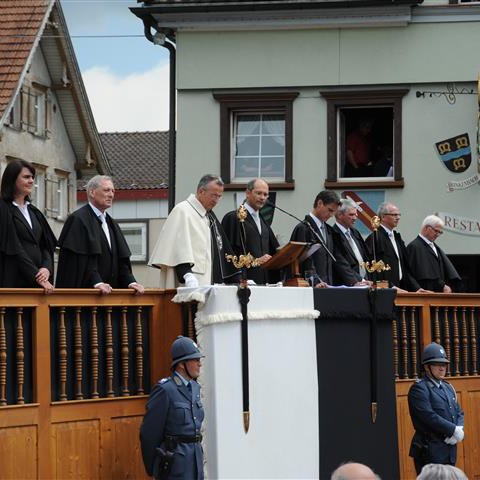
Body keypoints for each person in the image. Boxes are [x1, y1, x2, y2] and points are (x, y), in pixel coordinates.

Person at [56, 175, 144, 295]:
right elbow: (78, 262)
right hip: (86, 298)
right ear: (92, 192)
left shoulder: (111, 223)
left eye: (113, 191)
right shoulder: (78, 220)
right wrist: (97, 282)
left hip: (109, 298)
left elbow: (121, 260)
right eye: (106, 190)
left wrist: (131, 282)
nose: (111, 195)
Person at [149, 174, 239, 288]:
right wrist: (187, 274)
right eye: (214, 195)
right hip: (189, 280)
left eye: (219, 196)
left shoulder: (210, 216)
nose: (216, 200)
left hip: (209, 281)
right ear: (201, 191)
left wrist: (237, 278)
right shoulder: (182, 211)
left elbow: (221, 249)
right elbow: (177, 247)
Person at [140, 336, 205, 480]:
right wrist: (154, 468)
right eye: (195, 360)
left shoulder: (195, 388)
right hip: (175, 467)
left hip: (195, 463)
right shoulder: (165, 390)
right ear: (182, 364)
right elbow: (149, 434)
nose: (199, 364)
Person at [0, 159, 56, 293]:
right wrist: (37, 276)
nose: (31, 181)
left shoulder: (34, 212)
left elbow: (45, 245)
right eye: (26, 177)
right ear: (12, 179)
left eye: (32, 177)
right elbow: (14, 248)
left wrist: (46, 268)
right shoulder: (3, 209)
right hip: (14, 283)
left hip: (39, 284)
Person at [408, 343, 464, 475]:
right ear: (427, 367)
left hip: (449, 449)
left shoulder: (448, 387)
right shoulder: (419, 388)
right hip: (430, 451)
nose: (442, 368)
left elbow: (459, 412)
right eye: (437, 364)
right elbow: (428, 416)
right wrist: (452, 430)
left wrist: (459, 429)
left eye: (444, 364)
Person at [221, 178, 279, 284]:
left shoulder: (264, 222)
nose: (262, 198)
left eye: (265, 195)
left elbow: (273, 252)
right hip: (243, 283)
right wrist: (257, 261)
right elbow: (227, 255)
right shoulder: (233, 218)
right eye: (259, 193)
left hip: (264, 283)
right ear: (247, 193)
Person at [365, 202, 424, 292]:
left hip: (400, 288)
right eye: (394, 215)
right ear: (383, 217)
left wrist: (417, 288)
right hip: (384, 292)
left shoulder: (397, 238)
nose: (398, 217)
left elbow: (404, 268)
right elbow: (374, 272)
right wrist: (390, 288)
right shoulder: (374, 238)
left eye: (399, 215)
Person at [290, 190, 341, 286]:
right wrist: (316, 282)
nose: (331, 215)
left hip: (327, 286)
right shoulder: (303, 228)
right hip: (311, 287)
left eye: (333, 212)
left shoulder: (328, 230)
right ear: (320, 203)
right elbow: (305, 259)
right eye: (330, 210)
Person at [407, 215, 461, 293]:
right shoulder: (414, 247)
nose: (438, 235)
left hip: (438, 295)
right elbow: (408, 273)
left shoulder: (435, 247)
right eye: (436, 231)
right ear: (426, 228)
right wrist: (417, 289)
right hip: (423, 296)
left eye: (440, 232)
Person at [331, 199, 371, 286]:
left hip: (364, 282)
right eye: (351, 215)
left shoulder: (355, 232)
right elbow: (341, 264)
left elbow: (365, 257)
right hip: (347, 285)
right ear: (340, 215)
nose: (355, 217)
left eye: (356, 214)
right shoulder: (333, 234)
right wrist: (358, 281)